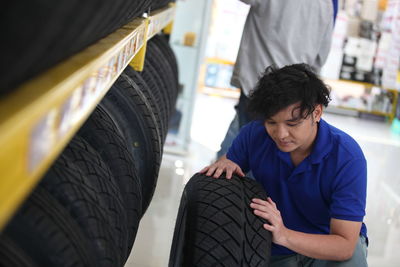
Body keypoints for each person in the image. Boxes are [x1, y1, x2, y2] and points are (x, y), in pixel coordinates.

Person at [201, 64, 368, 266]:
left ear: (316, 113)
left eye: (292, 124)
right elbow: (228, 165)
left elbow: (344, 245)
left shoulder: (347, 157)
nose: (280, 135)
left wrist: (285, 235)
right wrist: (225, 165)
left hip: (328, 248)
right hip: (273, 248)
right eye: (271, 122)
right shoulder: (254, 135)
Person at [217, 0, 337, 158]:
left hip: (259, 87)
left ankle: (220, 179)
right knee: (268, 152)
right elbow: (321, 55)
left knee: (246, 152)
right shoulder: (328, 4)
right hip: (297, 94)